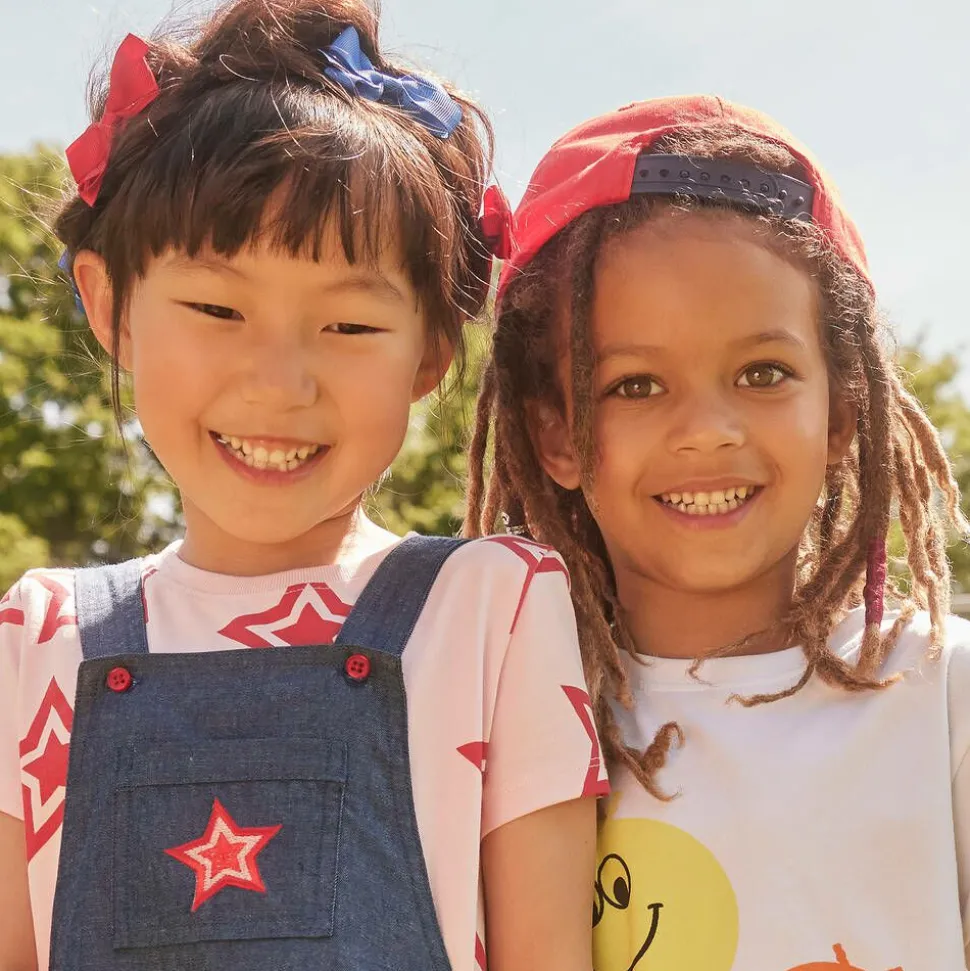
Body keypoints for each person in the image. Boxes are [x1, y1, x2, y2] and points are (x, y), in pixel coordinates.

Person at [0, 3, 602, 969]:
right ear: (112, 306)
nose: (280, 383)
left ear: (431, 353)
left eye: (350, 325)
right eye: (216, 307)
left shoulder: (494, 607)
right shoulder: (37, 638)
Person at [467, 95, 970, 970]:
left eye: (762, 373)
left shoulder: (943, 697)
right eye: (635, 385)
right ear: (556, 435)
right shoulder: (499, 724)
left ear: (842, 413)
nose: (706, 431)